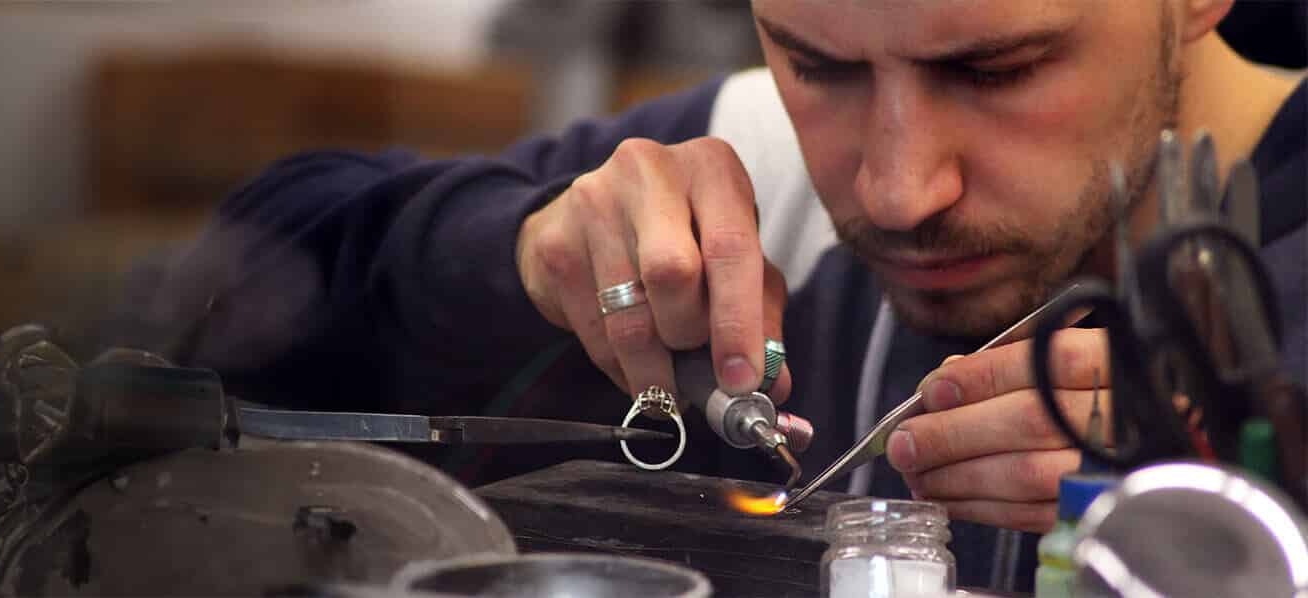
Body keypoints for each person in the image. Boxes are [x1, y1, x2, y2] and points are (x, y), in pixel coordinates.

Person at [113, 0, 1305, 590]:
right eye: (815, 63)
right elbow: (229, 296)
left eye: (994, 69)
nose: (894, 190)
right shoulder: (757, 167)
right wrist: (518, 252)